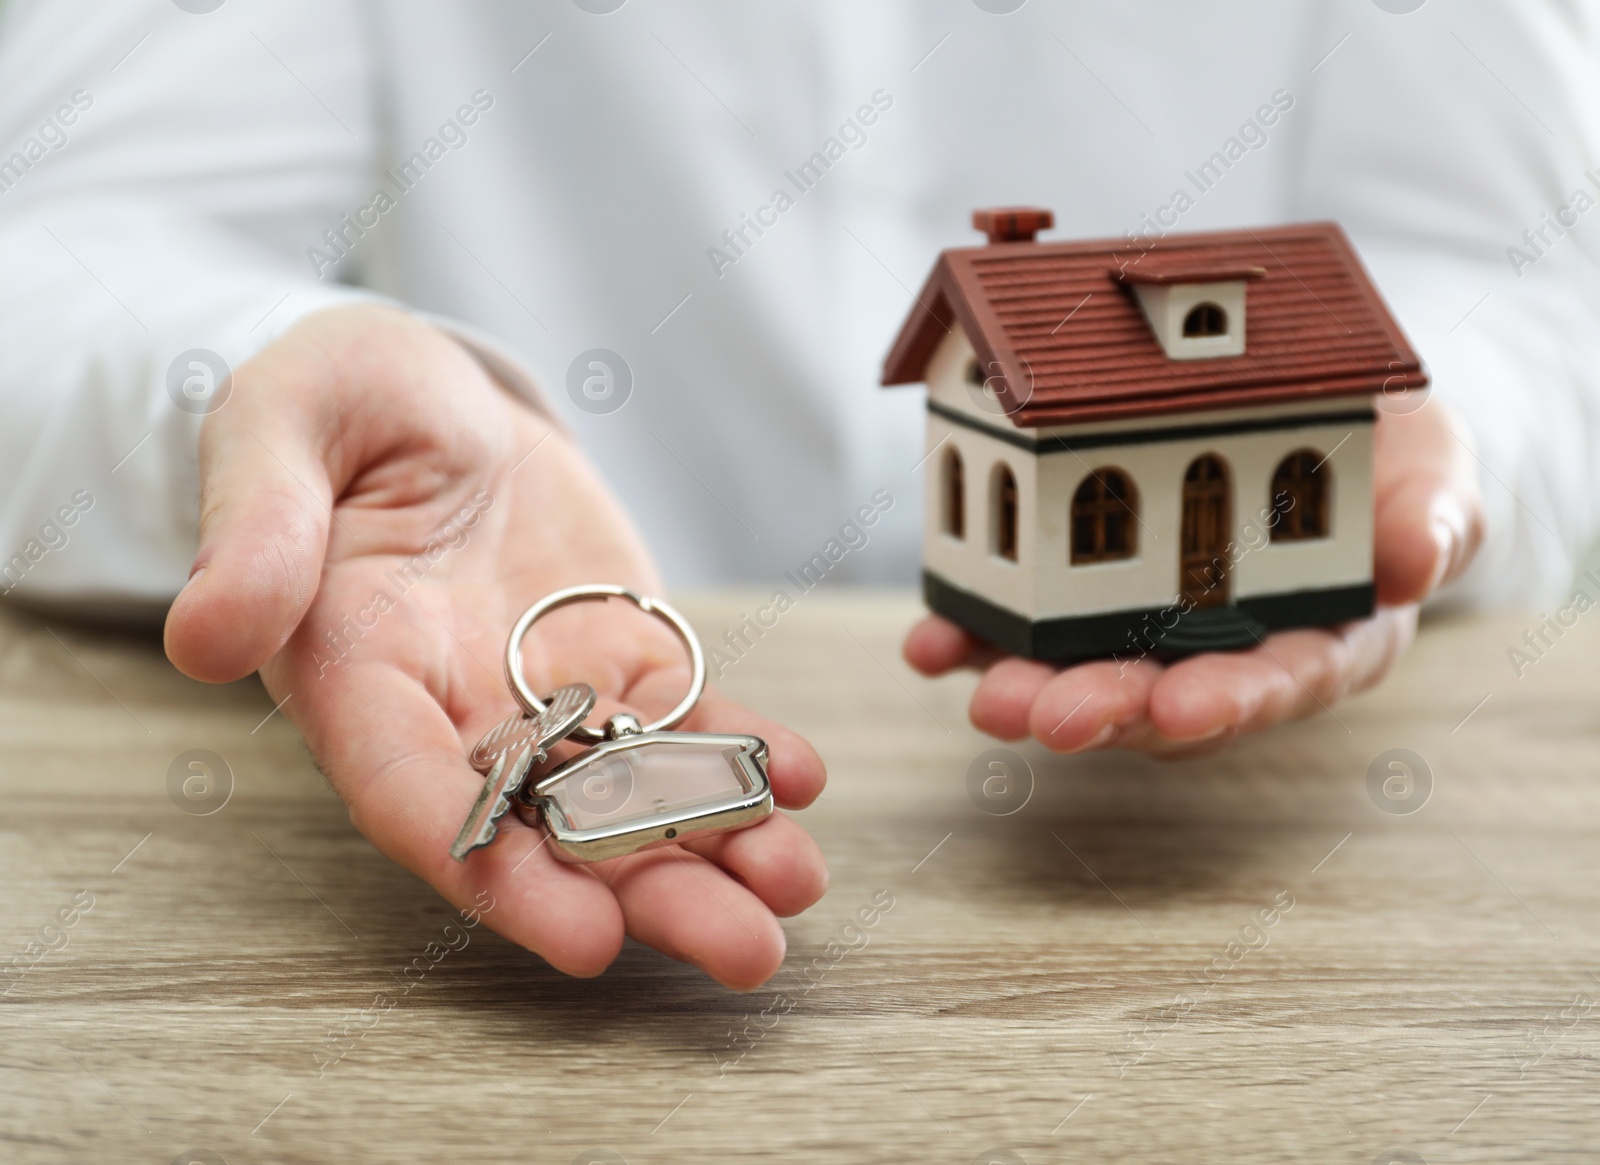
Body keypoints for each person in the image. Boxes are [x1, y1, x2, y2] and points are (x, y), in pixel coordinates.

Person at [1, 1, 1594, 987]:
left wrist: (1460, 426)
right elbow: (67, 257)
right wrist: (270, 366)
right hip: (497, 647)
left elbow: (1528, 282)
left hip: (1238, 865)